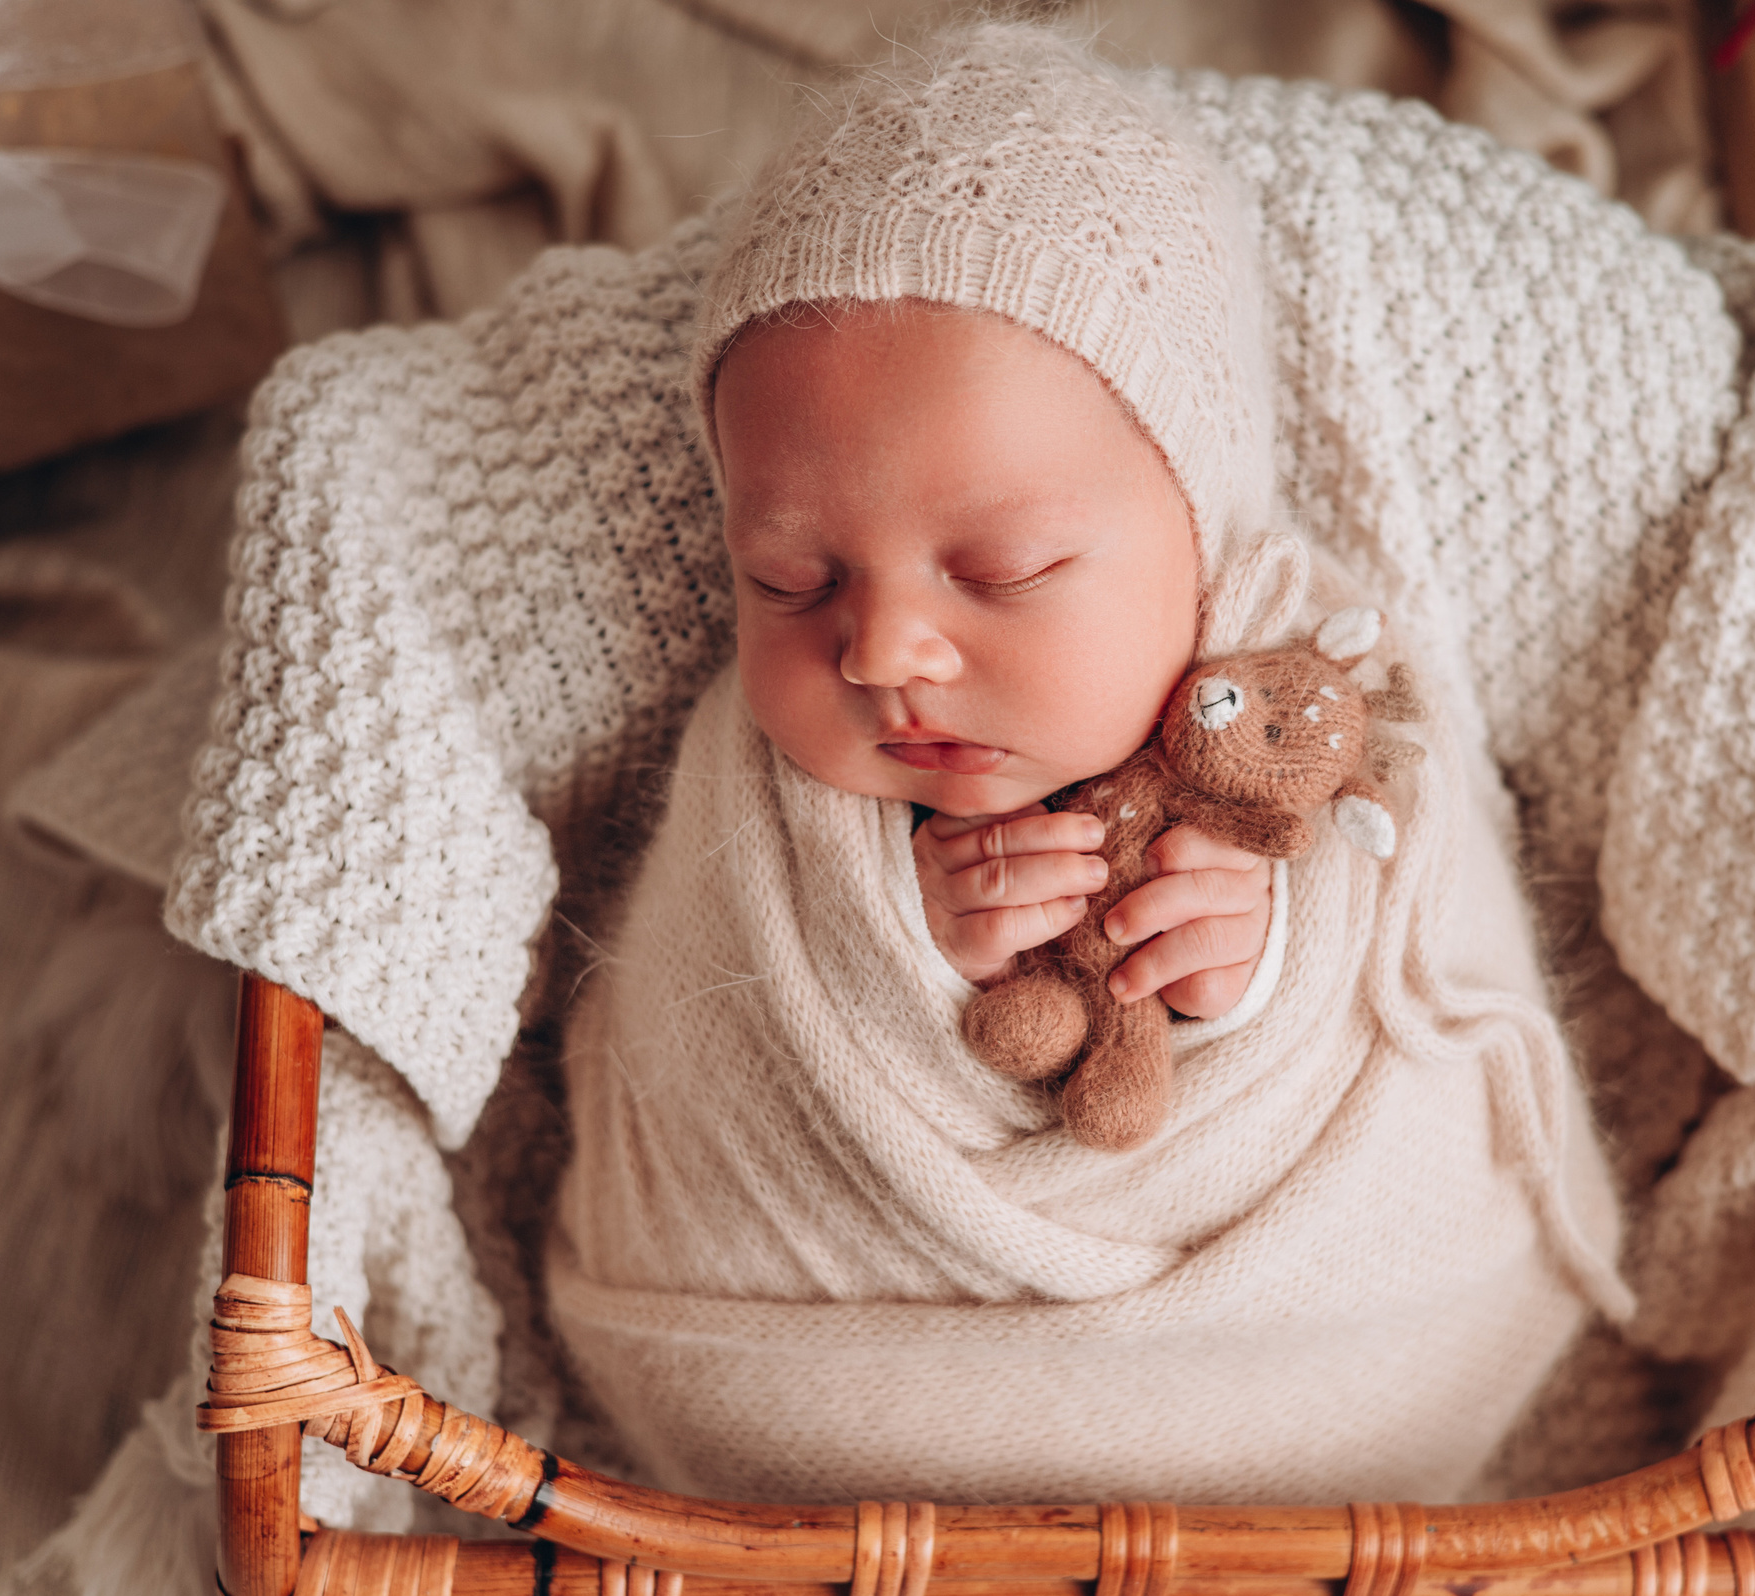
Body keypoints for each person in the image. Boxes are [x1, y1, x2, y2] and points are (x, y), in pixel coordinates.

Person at [542, 21, 1625, 1508]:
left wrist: (1264, 958)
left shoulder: (1312, 675)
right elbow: (691, 1010)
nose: (884, 653)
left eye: (1005, 567)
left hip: (1305, 1375)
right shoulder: (764, 777)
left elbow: (1424, 948)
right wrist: (908, 955)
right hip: (804, 1390)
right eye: (792, 580)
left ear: (1202, 527)